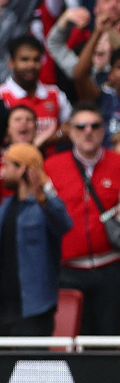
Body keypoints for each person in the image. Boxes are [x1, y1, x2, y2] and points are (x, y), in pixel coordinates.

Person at [44, 104, 120, 335]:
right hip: (67, 269)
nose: (88, 131)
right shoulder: (51, 167)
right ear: (70, 130)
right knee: (68, 338)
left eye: (94, 125)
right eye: (81, 126)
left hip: (110, 266)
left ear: (103, 130)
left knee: (110, 335)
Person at [0, 143, 72, 336]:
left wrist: (42, 198)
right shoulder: (6, 206)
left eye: (7, 166)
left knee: (33, 364)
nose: (3, 172)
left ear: (22, 168)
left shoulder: (46, 205)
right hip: (5, 305)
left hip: (36, 306)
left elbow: (64, 225)